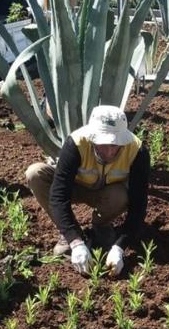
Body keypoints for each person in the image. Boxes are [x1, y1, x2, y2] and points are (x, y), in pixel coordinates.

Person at [25, 106, 150, 277]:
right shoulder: (76, 143)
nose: (109, 151)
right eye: (103, 143)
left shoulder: (137, 151)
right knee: (35, 174)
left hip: (109, 194)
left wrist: (120, 246)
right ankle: (71, 233)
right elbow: (58, 196)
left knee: (120, 196)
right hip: (76, 188)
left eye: (115, 144)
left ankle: (101, 226)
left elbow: (138, 205)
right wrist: (75, 241)